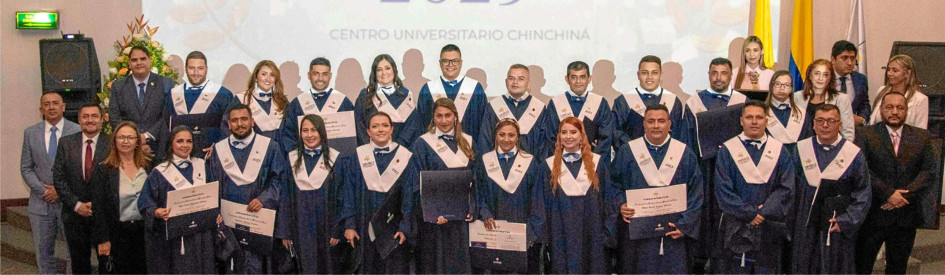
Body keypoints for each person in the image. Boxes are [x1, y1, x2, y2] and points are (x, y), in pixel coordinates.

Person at [611, 104, 704, 274]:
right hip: (638, 236)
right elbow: (613, 184)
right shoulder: (627, 152)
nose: (656, 126)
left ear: (670, 124)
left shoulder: (684, 153)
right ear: (643, 124)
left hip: (673, 231)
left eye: (661, 121)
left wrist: (685, 225)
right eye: (651, 121)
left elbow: (696, 193)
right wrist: (620, 205)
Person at [855, 92, 936, 274]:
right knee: (862, 266)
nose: (894, 112)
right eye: (889, 107)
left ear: (906, 111)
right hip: (873, 214)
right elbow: (863, 169)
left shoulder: (921, 136)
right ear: (881, 110)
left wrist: (903, 195)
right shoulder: (865, 134)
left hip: (905, 215)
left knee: (898, 268)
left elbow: (929, 171)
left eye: (900, 108)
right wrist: (889, 194)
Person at [207, 104, 289, 273]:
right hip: (229, 227)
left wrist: (264, 199)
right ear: (228, 125)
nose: (240, 124)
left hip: (259, 223)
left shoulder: (269, 147)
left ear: (252, 121)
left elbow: (280, 180)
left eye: (244, 119)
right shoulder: (218, 151)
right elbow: (211, 186)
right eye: (234, 120)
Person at [792, 104, 870, 274]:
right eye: (820, 121)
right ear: (813, 124)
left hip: (836, 222)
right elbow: (791, 189)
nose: (825, 125)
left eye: (831, 121)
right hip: (805, 223)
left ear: (840, 124)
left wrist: (846, 220)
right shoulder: (800, 150)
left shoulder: (853, 154)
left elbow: (863, 192)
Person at [338, 112, 418, 274]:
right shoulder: (357, 156)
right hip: (363, 226)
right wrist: (350, 225)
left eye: (384, 125)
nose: (380, 130)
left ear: (391, 129)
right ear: (368, 132)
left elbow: (410, 196)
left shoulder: (405, 157)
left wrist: (405, 226)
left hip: (394, 228)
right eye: (375, 126)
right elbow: (348, 193)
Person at [273, 114, 347, 273]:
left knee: (328, 266)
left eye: (314, 130)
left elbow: (342, 196)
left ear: (322, 132)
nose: (309, 135)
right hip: (299, 226)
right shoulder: (292, 159)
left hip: (326, 226)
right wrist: (285, 232)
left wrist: (337, 229)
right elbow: (285, 197)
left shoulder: (336, 159)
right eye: (305, 130)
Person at [137, 126, 217, 273]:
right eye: (180, 141)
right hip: (175, 239)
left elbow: (214, 195)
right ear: (171, 143)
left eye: (189, 141)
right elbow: (145, 202)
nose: (185, 145)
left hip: (201, 236)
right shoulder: (159, 172)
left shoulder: (202, 166)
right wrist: (156, 211)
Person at [410, 98, 476, 273]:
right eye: (439, 116)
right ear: (433, 118)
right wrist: (431, 212)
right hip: (434, 222)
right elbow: (416, 183)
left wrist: (471, 207)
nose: (444, 120)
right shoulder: (422, 144)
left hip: (461, 222)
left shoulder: (467, 142)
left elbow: (476, 181)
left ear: (455, 116)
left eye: (448, 115)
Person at [542, 116, 615, 274]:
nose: (568, 136)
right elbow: (542, 206)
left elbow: (608, 202)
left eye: (573, 132)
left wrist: (607, 235)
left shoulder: (598, 164)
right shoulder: (548, 167)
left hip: (592, 235)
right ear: (559, 137)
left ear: (582, 136)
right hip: (560, 236)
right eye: (564, 132)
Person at [474, 118, 546, 273]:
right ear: (495, 136)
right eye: (502, 134)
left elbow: (537, 200)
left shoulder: (530, 162)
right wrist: (485, 213)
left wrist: (530, 233)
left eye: (511, 135)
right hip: (493, 231)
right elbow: (478, 193)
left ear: (517, 137)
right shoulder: (484, 161)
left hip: (522, 232)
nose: (506, 139)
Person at [20, 91, 79, 274]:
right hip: (40, 204)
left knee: (73, 252)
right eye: (47, 104)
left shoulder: (76, 130)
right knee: (44, 253)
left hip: (69, 203)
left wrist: (60, 191)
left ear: (63, 107)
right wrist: (43, 190)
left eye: (55, 103)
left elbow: (80, 169)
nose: (51, 107)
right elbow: (26, 168)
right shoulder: (30, 133)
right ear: (41, 109)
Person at [90, 121, 153, 274]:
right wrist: (103, 239)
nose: (126, 141)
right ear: (114, 141)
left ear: (137, 142)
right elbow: (98, 208)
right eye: (121, 137)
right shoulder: (104, 170)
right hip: (116, 235)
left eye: (130, 138)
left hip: (144, 234)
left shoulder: (149, 166)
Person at [53, 103, 108, 274]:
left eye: (94, 116)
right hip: (74, 216)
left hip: (105, 218)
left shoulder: (113, 143)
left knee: (107, 264)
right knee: (79, 265)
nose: (90, 120)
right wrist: (77, 205)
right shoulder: (66, 143)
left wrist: (97, 206)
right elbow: (59, 178)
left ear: (101, 120)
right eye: (85, 116)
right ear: (79, 120)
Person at [107, 46, 175, 161]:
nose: (139, 63)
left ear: (150, 60)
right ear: (129, 63)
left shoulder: (165, 83)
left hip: (159, 147)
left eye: (143, 59)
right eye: (134, 60)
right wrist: (135, 139)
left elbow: (167, 116)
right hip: (128, 149)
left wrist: (147, 136)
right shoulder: (118, 86)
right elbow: (114, 117)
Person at [540, 61, 615, 160]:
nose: (578, 81)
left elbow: (606, 137)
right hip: (563, 162)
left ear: (589, 79)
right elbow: (551, 138)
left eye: (582, 77)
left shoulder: (601, 103)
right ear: (567, 79)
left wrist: (595, 162)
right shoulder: (555, 103)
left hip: (593, 161)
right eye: (574, 77)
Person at [164, 51, 234, 156]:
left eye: (200, 68)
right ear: (185, 69)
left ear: (206, 69)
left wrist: (219, 147)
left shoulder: (223, 94)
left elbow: (230, 126)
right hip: (180, 156)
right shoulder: (173, 94)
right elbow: (166, 126)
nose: (196, 73)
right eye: (192, 68)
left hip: (212, 156)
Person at [280, 57, 355, 151]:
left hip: (338, 161)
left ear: (330, 76)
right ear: (309, 75)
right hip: (306, 161)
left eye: (325, 74)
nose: (320, 78)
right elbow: (289, 136)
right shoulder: (297, 103)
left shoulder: (343, 102)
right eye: (316, 74)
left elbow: (350, 137)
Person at [354, 54, 428, 148]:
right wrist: (371, 149)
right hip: (372, 151)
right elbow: (360, 127)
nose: (384, 73)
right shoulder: (365, 96)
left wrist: (398, 148)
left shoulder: (406, 95)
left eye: (387, 68)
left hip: (401, 153)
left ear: (394, 70)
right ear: (374, 73)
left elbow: (412, 127)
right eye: (379, 70)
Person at [475, 64, 548, 157]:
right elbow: (485, 141)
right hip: (498, 166)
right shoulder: (493, 106)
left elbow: (543, 146)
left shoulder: (539, 107)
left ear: (529, 83)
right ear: (506, 82)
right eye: (511, 78)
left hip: (530, 167)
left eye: (521, 79)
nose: (515, 82)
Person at [420, 44, 488, 140]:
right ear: (440, 63)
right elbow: (422, 124)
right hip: (435, 149)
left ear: (461, 63)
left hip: (468, 149)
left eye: (455, 61)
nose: (450, 65)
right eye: (445, 61)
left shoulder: (475, 88)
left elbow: (483, 124)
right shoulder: (428, 89)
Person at [613, 55, 685, 146]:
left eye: (654, 73)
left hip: (666, 157)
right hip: (633, 157)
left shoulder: (674, 101)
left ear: (661, 75)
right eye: (644, 73)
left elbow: (678, 134)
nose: (649, 77)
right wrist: (634, 151)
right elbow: (616, 133)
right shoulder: (623, 101)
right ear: (638, 75)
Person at [794, 59, 856, 141]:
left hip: (833, 149)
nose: (820, 78)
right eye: (817, 74)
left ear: (830, 78)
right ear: (810, 75)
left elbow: (848, 133)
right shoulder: (796, 97)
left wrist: (842, 152)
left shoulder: (841, 99)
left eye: (825, 75)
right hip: (803, 147)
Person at [228, 60, 289, 138]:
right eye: (264, 74)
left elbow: (291, 130)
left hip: (281, 149)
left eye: (272, 75)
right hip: (251, 148)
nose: (268, 79)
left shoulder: (283, 102)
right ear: (256, 77)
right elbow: (227, 127)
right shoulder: (241, 99)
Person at [867, 55, 928, 129]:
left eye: (895, 70)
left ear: (907, 73)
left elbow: (921, 131)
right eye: (888, 69)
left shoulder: (920, 99)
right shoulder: (882, 91)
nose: (889, 73)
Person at [830, 40, 871, 124]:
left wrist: (862, 119)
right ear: (833, 59)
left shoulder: (860, 79)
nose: (849, 63)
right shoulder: (824, 78)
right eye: (844, 58)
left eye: (852, 59)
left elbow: (864, 104)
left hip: (852, 129)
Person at [766, 70, 811, 145]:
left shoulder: (801, 113)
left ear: (791, 89)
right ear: (771, 86)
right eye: (778, 84)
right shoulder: (762, 112)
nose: (782, 88)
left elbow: (808, 141)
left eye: (787, 85)